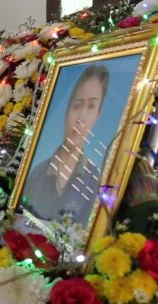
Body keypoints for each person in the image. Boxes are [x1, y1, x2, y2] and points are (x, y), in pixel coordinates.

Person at [22, 65, 110, 226]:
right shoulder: (37, 173)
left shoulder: (96, 184)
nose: (81, 118)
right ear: (67, 110)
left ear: (97, 116)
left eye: (91, 107)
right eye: (77, 105)